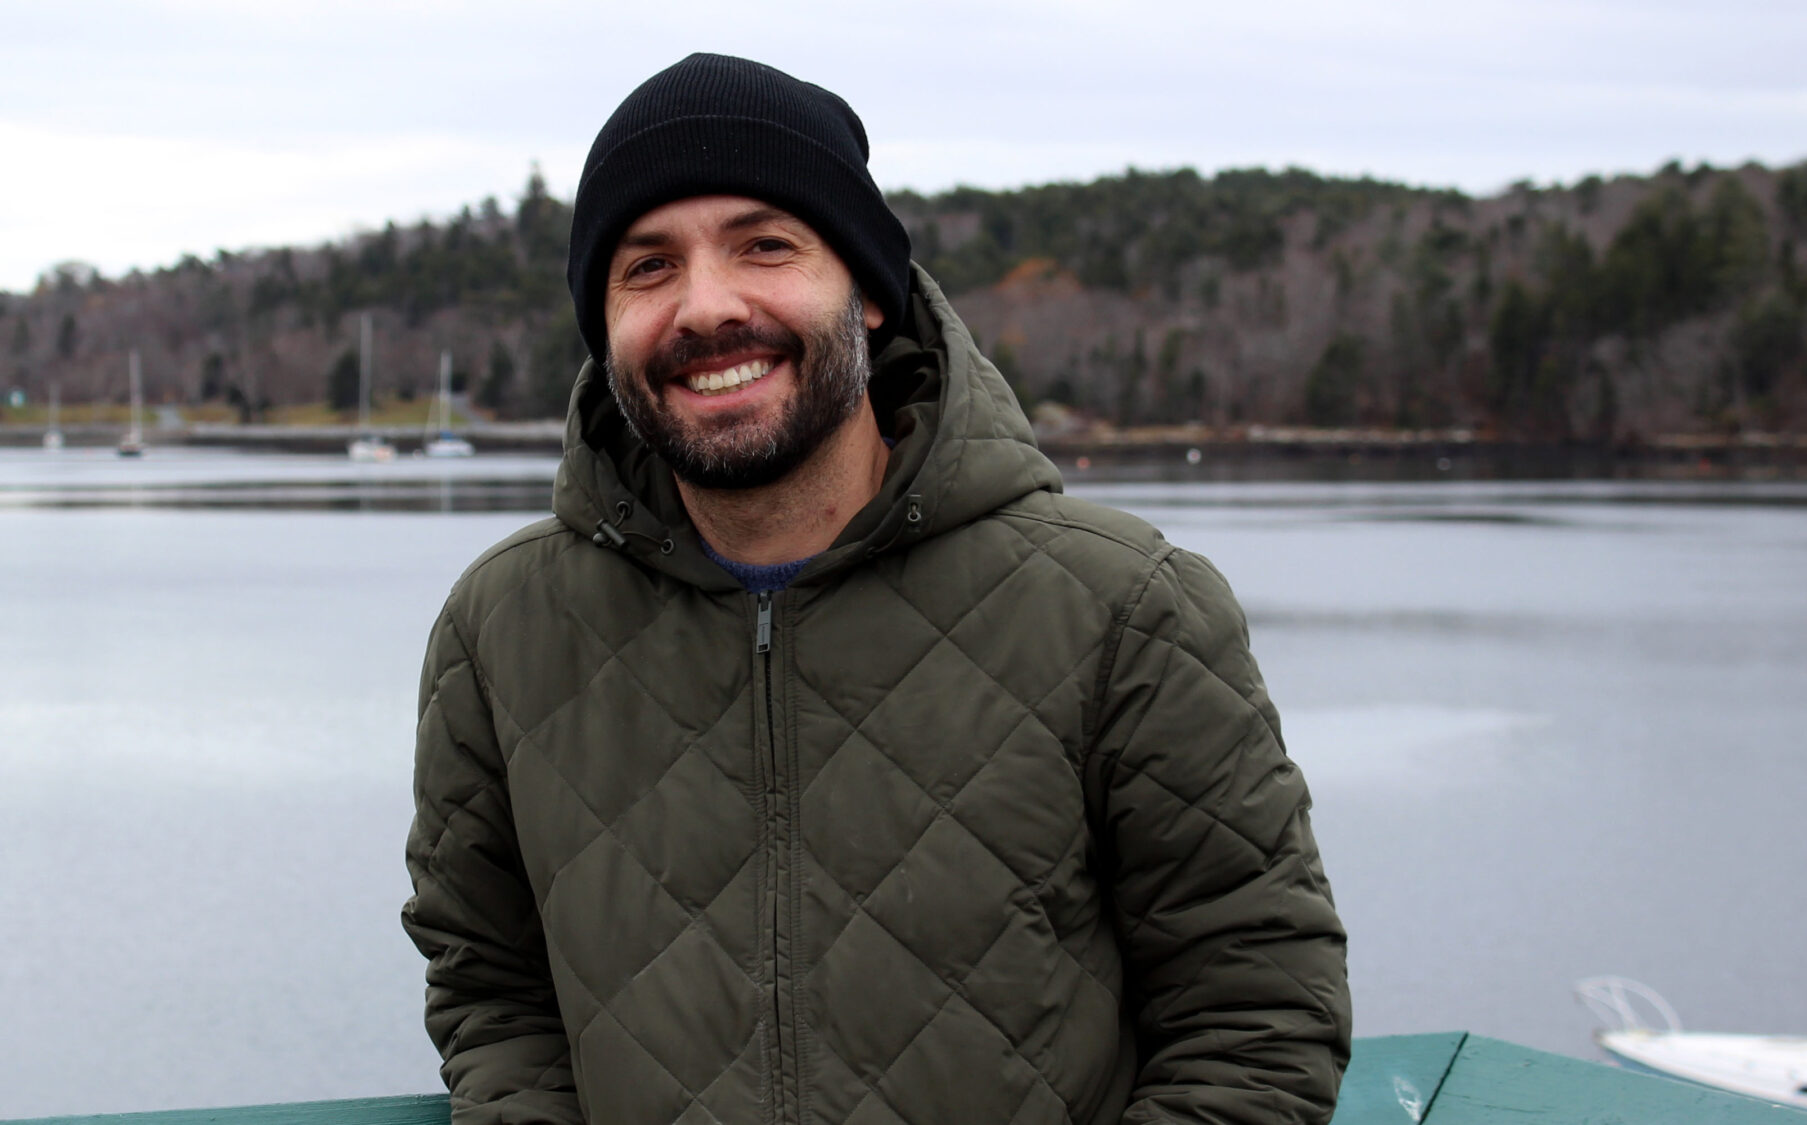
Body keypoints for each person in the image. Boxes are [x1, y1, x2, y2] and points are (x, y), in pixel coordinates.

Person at [403, 52, 1350, 1125]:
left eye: (765, 245)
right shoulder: (505, 627)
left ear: (867, 297)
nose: (706, 307)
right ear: (603, 327)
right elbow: (490, 989)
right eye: (647, 266)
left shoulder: (1124, 607)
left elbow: (1255, 1019)